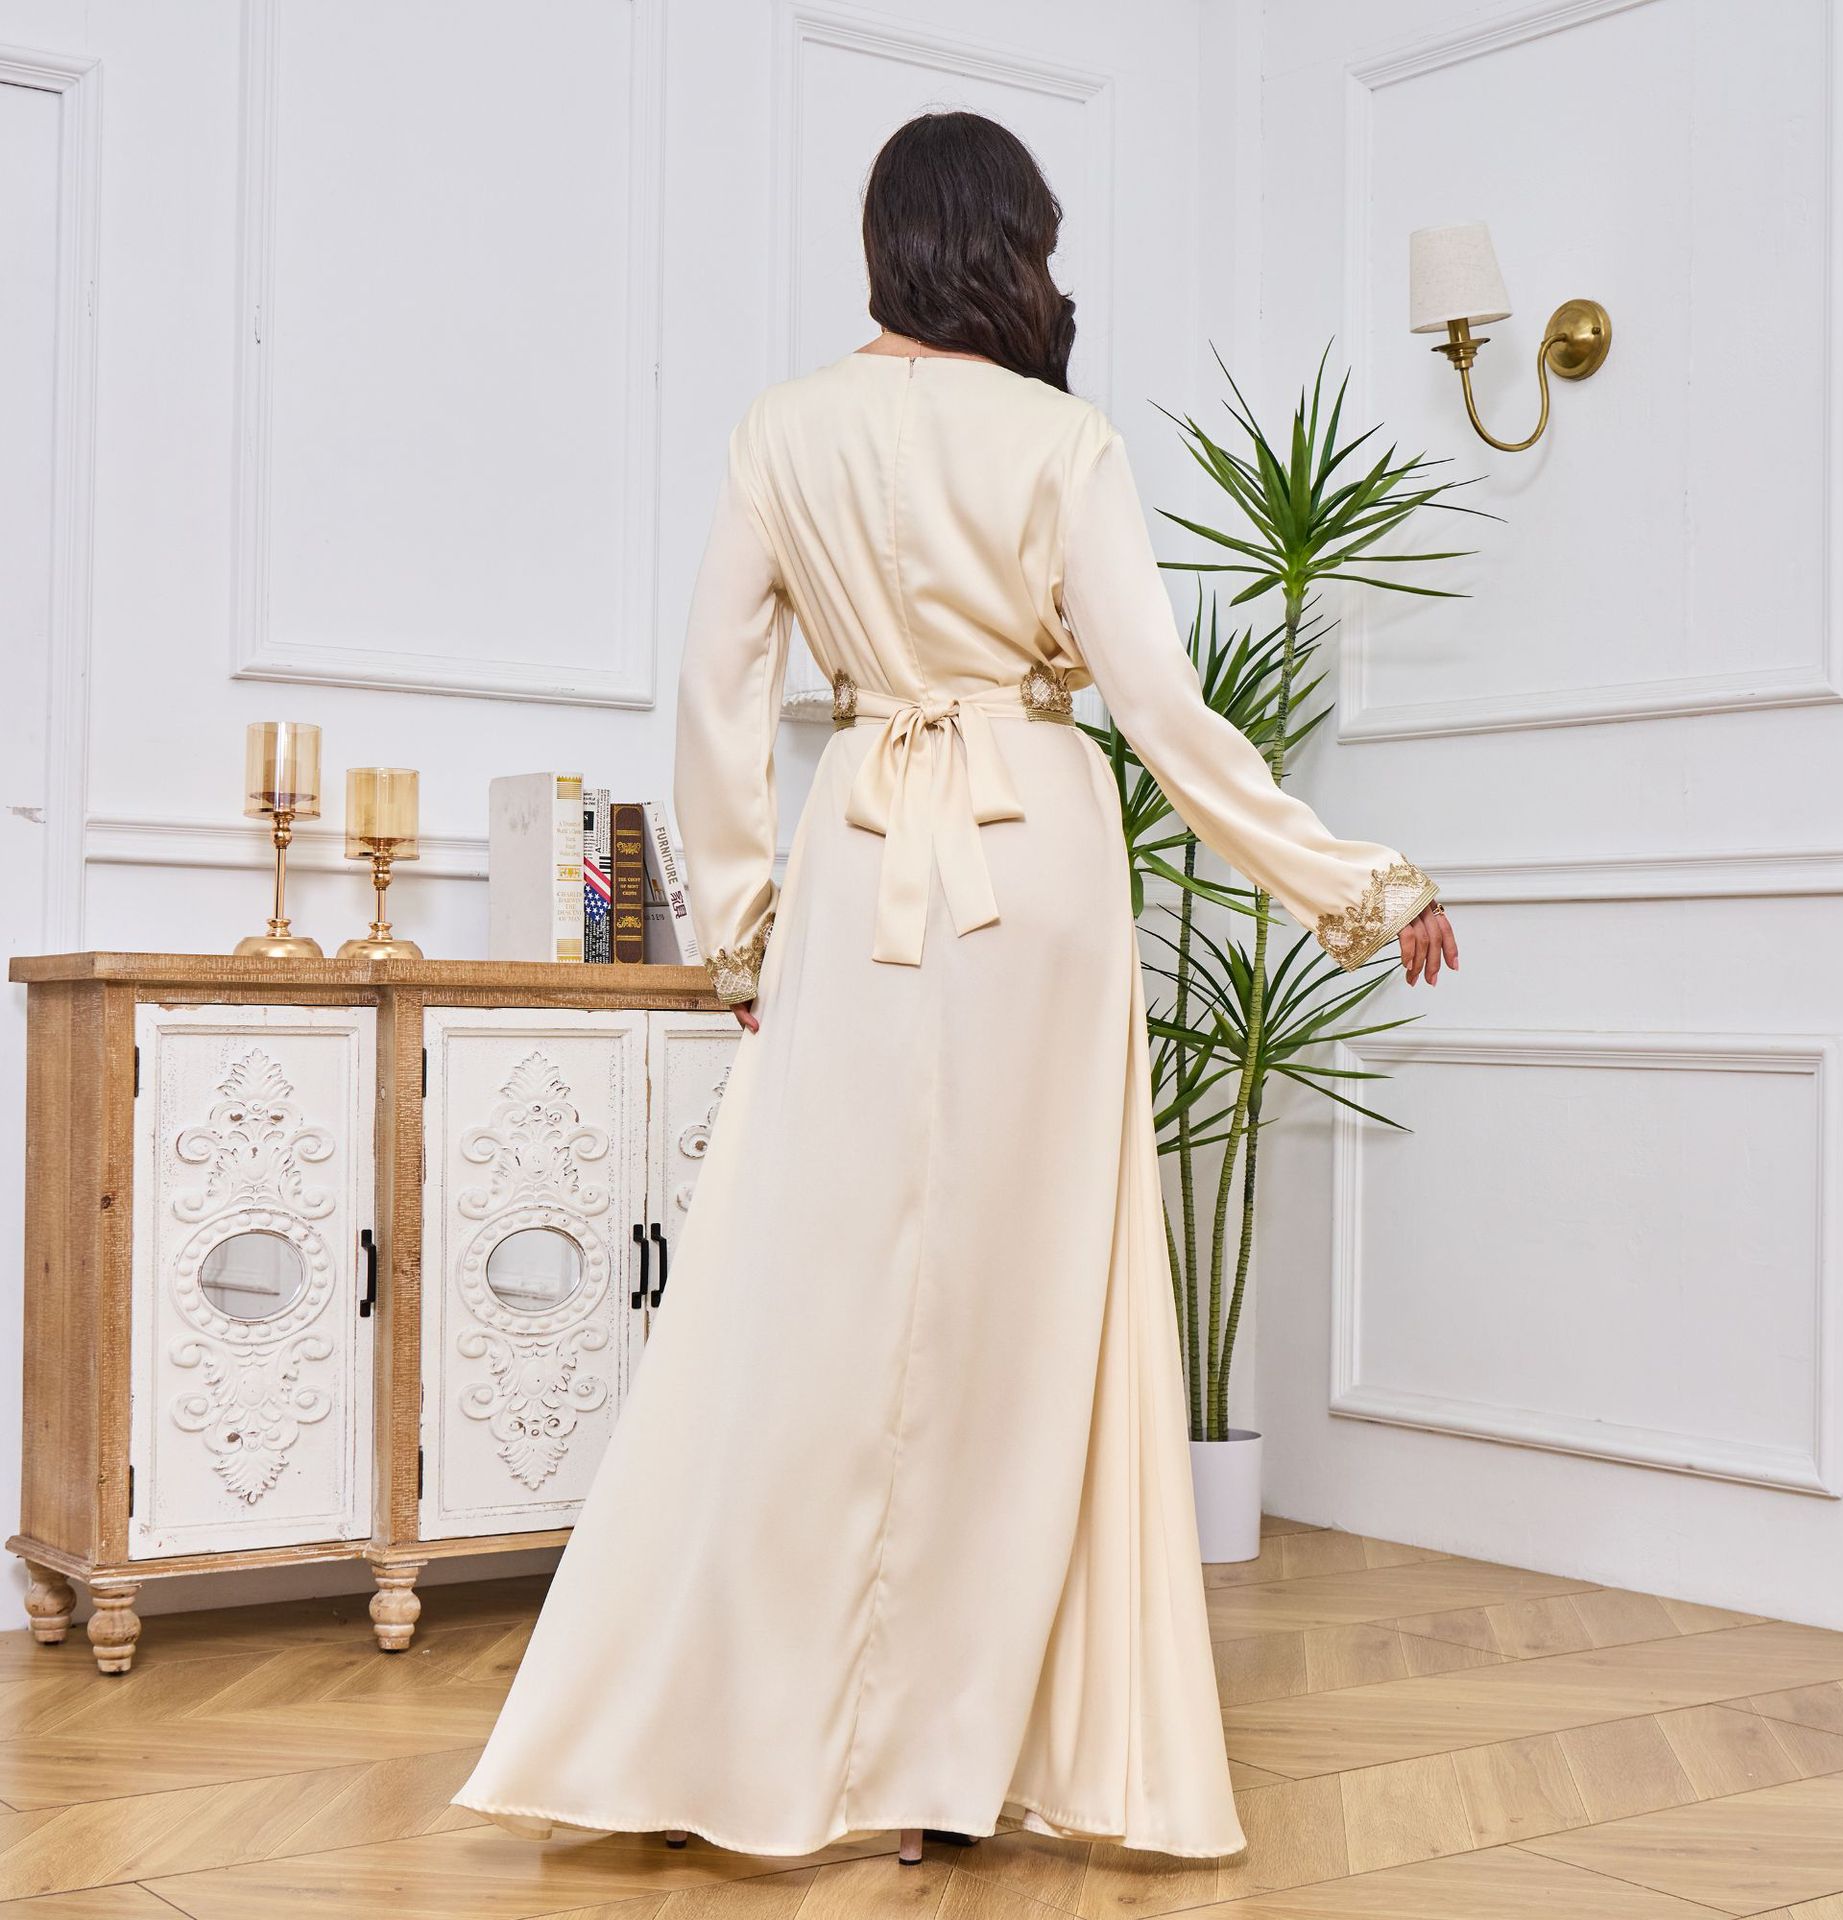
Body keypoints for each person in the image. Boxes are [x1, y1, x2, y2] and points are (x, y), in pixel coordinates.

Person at [453, 108, 1456, 1868]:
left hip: (860, 857)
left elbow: (715, 701)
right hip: (1035, 865)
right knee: (1025, 1315)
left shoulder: (781, 431)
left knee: (803, 1299)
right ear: (1004, 246)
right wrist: (1350, 878)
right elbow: (1161, 711)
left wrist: (744, 930)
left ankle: (732, 1734)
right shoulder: (1062, 441)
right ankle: (959, 1763)